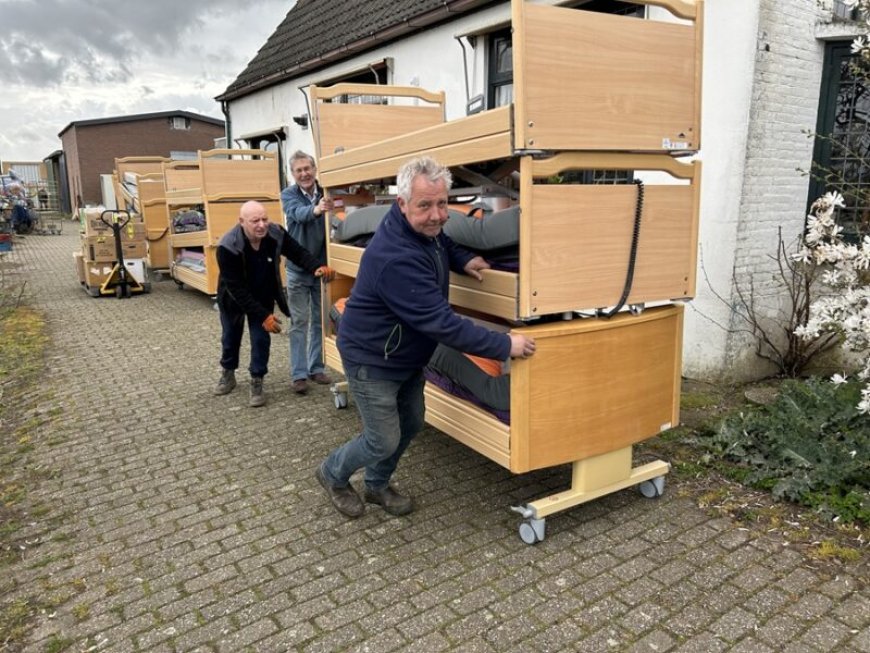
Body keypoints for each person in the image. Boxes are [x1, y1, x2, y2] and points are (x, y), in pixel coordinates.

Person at [315, 156, 536, 518]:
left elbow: (441, 241)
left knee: (413, 421)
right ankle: (333, 473)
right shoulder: (395, 257)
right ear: (401, 204)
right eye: (425, 206)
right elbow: (444, 325)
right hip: (372, 358)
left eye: (442, 203)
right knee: (381, 437)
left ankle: (376, 485)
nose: (436, 214)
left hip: (406, 354)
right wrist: (504, 345)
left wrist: (462, 259)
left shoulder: (421, 229)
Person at [214, 200, 334, 408]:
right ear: (241, 222)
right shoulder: (227, 246)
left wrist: (317, 266)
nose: (261, 225)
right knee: (230, 336)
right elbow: (238, 290)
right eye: (255, 221)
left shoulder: (276, 233)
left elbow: (297, 252)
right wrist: (263, 315)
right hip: (233, 297)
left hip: (262, 293)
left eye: (264, 219)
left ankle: (257, 380)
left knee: (261, 340)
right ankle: (228, 372)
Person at [280, 151, 334, 395]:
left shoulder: (326, 192)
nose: (304, 174)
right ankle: (298, 374)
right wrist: (316, 209)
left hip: (321, 269)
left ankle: (316, 367)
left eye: (307, 168)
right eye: (298, 170)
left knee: (320, 321)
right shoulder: (289, 195)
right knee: (299, 322)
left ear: (314, 169)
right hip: (298, 270)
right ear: (293, 174)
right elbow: (297, 215)